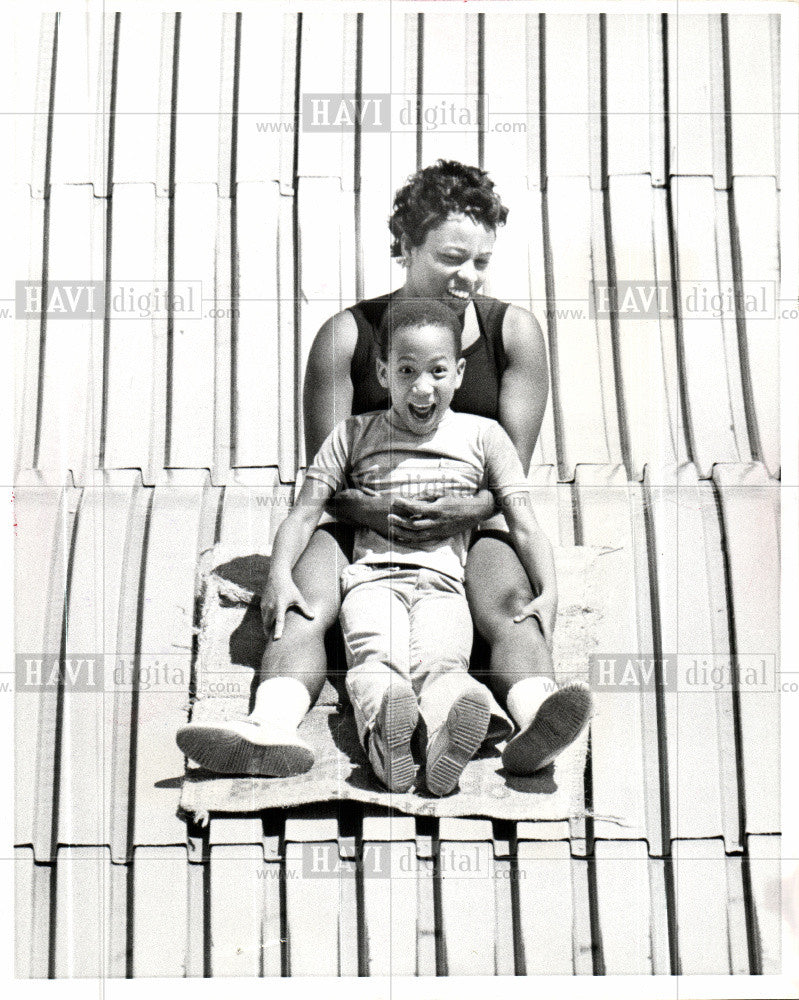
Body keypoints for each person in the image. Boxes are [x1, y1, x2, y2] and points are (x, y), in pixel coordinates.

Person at [177, 159, 592, 779]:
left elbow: (508, 481)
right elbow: (326, 479)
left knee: (512, 597)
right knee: (303, 595)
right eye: (452, 257)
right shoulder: (348, 336)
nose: (467, 276)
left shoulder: (514, 335)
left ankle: (536, 719)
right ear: (405, 245)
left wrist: (463, 512)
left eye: (482, 261)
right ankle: (269, 728)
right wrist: (373, 513)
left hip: (468, 524)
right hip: (362, 523)